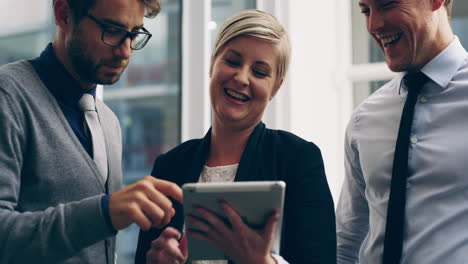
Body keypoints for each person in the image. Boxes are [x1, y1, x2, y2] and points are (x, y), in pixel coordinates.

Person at [134, 9, 336, 264]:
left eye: (260, 72)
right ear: (212, 63)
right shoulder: (169, 166)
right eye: (232, 61)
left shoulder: (298, 160)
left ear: (276, 86)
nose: (241, 78)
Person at [0, 0, 182, 263]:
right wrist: (104, 213)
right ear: (63, 14)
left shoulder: (109, 122)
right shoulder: (8, 95)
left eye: (134, 34)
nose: (126, 51)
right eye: (112, 30)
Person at [336, 0, 468, 263]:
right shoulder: (365, 118)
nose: (373, 25)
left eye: (387, 5)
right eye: (365, 11)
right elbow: (346, 242)